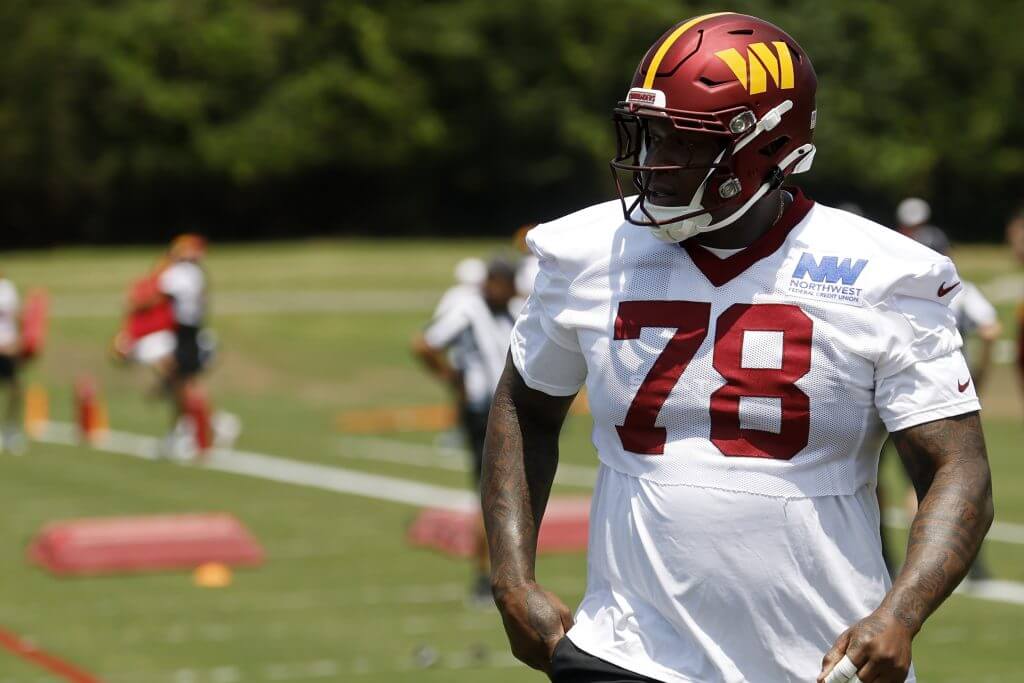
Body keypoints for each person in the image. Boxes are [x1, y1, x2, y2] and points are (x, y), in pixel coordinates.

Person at [482, 13, 993, 683]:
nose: (652, 162)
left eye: (683, 140)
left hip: (819, 662)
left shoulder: (884, 275)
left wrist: (901, 613)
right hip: (627, 651)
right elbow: (524, 407)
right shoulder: (585, 252)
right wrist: (512, 578)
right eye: (648, 133)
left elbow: (959, 468)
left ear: (769, 144)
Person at [411, 256, 519, 604]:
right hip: (483, 413)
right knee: (493, 493)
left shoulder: (513, 311)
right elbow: (424, 344)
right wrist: (450, 378)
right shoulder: (469, 310)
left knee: (509, 492)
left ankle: (502, 574)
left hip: (511, 412)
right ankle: (485, 575)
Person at [158, 234, 215, 459]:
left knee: (183, 385)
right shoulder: (195, 273)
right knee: (186, 382)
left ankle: (190, 430)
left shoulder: (176, 274)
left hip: (182, 332)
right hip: (192, 330)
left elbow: (161, 299)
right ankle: (190, 429)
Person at [0, 273, 24, 453]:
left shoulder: (8, 288)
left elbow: (17, 317)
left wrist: (17, 341)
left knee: (15, 390)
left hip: (9, 348)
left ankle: (11, 429)